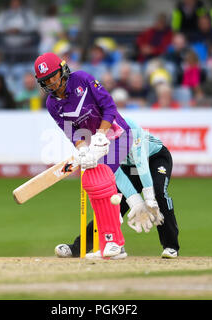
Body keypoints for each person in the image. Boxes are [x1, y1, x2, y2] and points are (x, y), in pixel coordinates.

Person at [34, 53, 163, 259]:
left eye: (53, 76)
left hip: (119, 134)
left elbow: (109, 107)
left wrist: (101, 136)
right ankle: (107, 244)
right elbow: (71, 130)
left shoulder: (83, 79)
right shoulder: (52, 104)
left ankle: (114, 243)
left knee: (101, 178)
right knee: (94, 183)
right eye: (45, 80)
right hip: (94, 142)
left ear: (63, 69)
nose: (51, 83)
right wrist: (82, 149)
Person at [55, 117, 180, 259]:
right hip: (128, 167)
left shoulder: (129, 127)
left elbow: (142, 164)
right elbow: (116, 173)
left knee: (158, 194)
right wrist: (135, 201)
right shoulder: (96, 140)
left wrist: (149, 198)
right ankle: (80, 248)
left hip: (154, 159)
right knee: (110, 205)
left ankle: (171, 246)